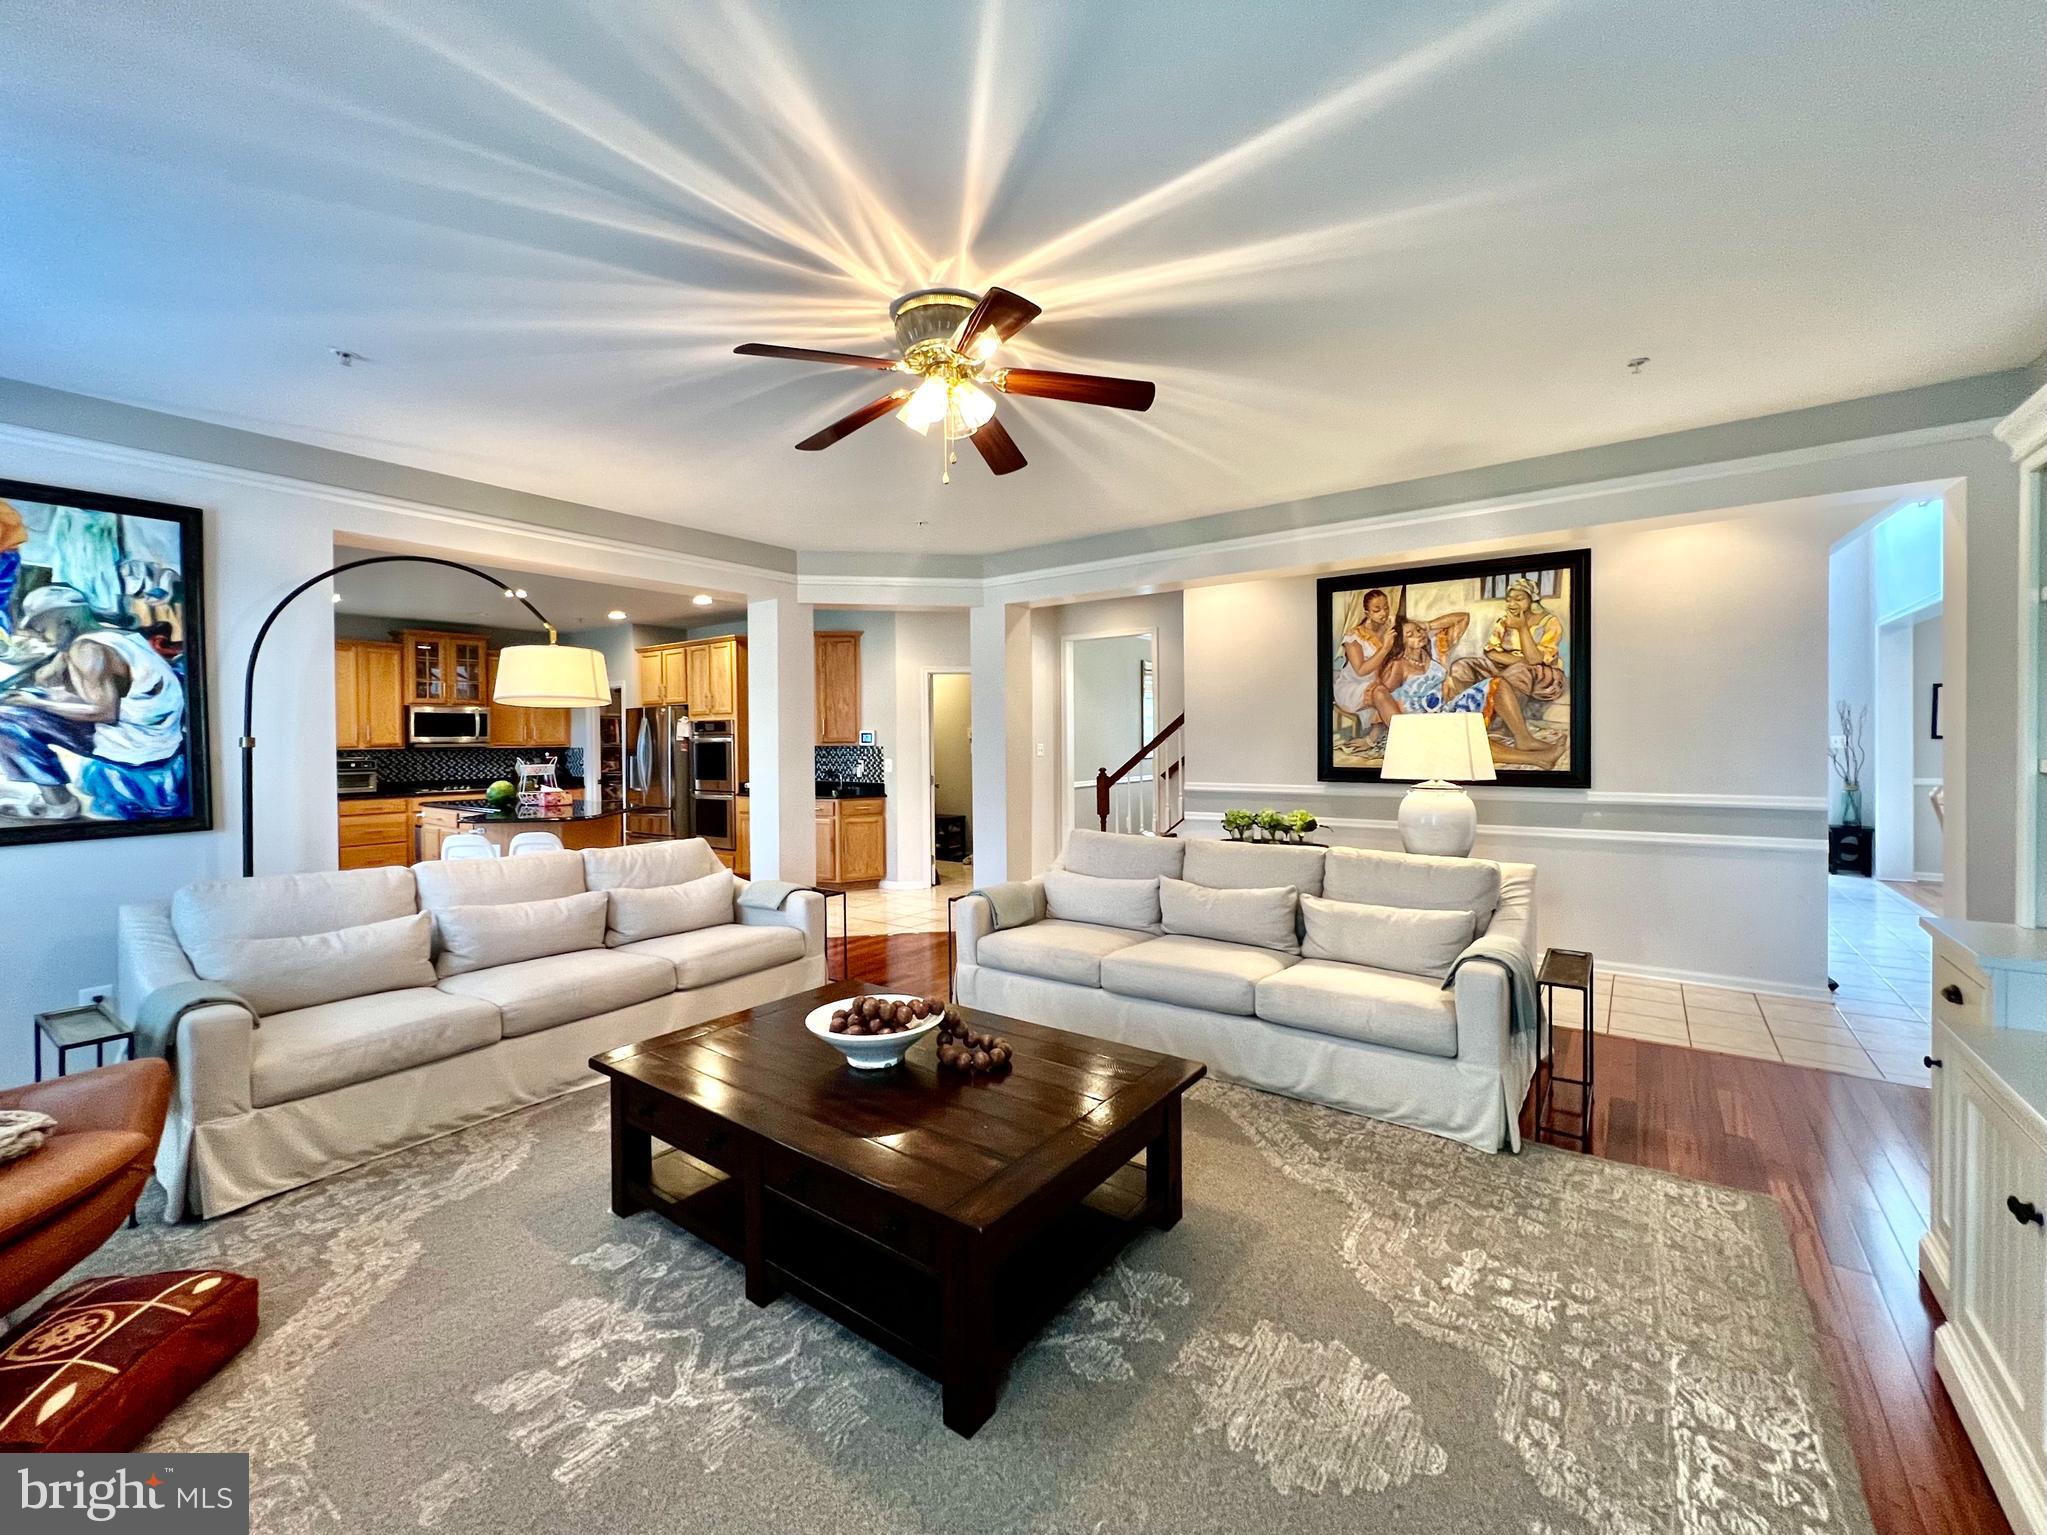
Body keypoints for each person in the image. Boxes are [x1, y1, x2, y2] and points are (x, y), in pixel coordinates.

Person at [0, 584, 188, 820]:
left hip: (136, 744)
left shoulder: (89, 649)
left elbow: (104, 712)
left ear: (67, 623)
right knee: (26, 701)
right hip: (154, 733)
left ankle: (59, 804)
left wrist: (35, 703)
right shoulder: (111, 634)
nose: (40, 637)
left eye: (41, 630)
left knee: (5, 721)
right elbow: (47, 681)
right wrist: (60, 654)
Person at [1369, 613, 1566, 768]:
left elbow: (1462, 618)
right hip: (1423, 727)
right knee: (1464, 735)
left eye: (1419, 630)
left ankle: (1524, 738)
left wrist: (1427, 625)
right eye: (1410, 634)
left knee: (1497, 684)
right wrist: (1375, 734)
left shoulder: (1435, 651)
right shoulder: (1397, 666)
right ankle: (1536, 759)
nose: (1419, 635)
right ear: (1400, 642)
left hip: (1446, 711)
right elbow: (1382, 698)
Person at [1446, 578, 1568, 751]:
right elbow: (1491, 651)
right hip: (1510, 666)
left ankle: (1519, 735)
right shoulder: (1504, 621)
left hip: (1545, 675)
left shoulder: (1549, 622)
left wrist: (1522, 628)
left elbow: (1537, 660)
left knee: (1518, 671)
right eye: (1509, 599)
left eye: (1519, 599)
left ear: (1532, 600)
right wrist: (1521, 660)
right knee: (1462, 666)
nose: (1512, 603)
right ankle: (1474, 721)